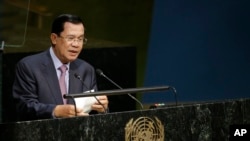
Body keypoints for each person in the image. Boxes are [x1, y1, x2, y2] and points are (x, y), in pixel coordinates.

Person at [12, 14, 109, 121]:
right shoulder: (29, 66)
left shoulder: (85, 69)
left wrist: (102, 109)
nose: (76, 44)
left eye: (80, 39)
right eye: (71, 38)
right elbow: (24, 106)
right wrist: (56, 111)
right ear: (54, 38)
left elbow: (93, 114)